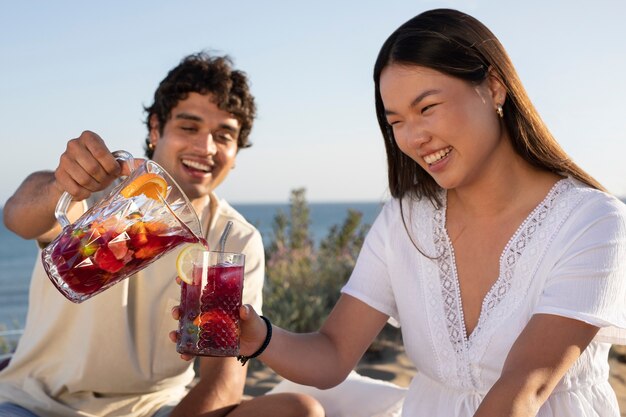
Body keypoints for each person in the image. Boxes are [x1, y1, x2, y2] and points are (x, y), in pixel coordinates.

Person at [192, 9, 626, 417]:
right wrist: (261, 336)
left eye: (427, 108)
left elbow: (524, 386)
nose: (414, 137)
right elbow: (332, 354)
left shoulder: (591, 221)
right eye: (396, 120)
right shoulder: (405, 220)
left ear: (494, 86)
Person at [0, 52, 323, 417]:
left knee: (300, 409)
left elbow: (224, 379)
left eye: (224, 135)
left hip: (156, 408)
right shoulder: (106, 194)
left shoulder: (235, 239)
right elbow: (18, 216)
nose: (206, 148)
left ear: (235, 152)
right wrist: (63, 183)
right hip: (36, 404)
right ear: (156, 130)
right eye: (189, 127)